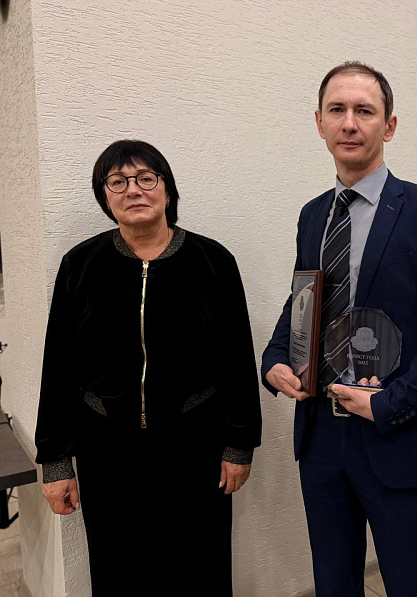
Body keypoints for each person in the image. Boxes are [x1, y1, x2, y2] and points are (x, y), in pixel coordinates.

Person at [261, 61, 417, 597]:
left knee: (408, 583)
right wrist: (274, 358)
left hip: (393, 428)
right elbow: (303, 299)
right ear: (319, 123)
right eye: (337, 110)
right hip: (320, 431)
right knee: (333, 581)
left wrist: (393, 403)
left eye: (365, 111)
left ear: (390, 125)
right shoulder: (313, 215)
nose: (350, 123)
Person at [35, 140, 262, 596]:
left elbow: (237, 357)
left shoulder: (212, 261)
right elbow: (59, 364)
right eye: (117, 181)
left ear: (166, 189)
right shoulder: (80, 265)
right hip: (107, 450)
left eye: (145, 178)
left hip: (194, 447)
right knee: (120, 572)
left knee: (198, 570)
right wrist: (56, 461)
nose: (133, 190)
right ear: (104, 196)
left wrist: (240, 444)